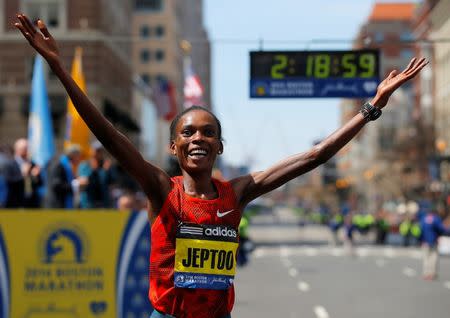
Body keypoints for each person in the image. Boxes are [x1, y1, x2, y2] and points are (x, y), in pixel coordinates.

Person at [14, 14, 428, 318]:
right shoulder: (162, 188)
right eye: (189, 133)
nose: (199, 139)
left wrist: (372, 107)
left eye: (208, 133)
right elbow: (107, 134)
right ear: (175, 147)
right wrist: (59, 69)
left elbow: (315, 156)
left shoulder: (238, 192)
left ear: (220, 146)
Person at [4, 138, 43, 208]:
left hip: (31, 202)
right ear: (17, 149)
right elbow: (9, 182)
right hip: (15, 202)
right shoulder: (10, 164)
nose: (27, 150)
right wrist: (24, 174)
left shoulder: (32, 164)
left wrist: (35, 177)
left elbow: (40, 183)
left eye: (28, 148)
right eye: (25, 148)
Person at [44, 144, 82, 209]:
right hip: (56, 205)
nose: (80, 159)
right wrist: (76, 184)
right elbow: (56, 185)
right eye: (79, 156)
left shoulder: (66, 165)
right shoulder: (59, 164)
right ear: (73, 155)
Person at [77, 140, 113, 208]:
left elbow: (111, 182)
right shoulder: (85, 165)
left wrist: (106, 170)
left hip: (104, 204)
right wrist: (97, 170)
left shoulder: (106, 165)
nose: (98, 153)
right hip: (88, 204)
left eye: (100, 151)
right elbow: (84, 181)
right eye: (96, 150)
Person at [419, 207, 450, 280]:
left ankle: (426, 273)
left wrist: (421, 240)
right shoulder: (436, 219)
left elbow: (420, 230)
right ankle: (432, 273)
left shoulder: (423, 219)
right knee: (433, 257)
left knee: (426, 258)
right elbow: (442, 229)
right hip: (433, 241)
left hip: (425, 241)